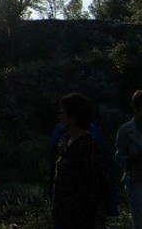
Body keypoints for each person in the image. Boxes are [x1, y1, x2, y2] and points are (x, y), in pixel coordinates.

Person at [51, 92, 108, 229]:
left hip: (81, 215)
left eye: (62, 113)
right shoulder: (64, 140)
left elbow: (96, 183)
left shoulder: (88, 146)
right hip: (63, 213)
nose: (59, 116)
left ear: (73, 117)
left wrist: (99, 217)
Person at [116, 89, 142, 228]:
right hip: (139, 184)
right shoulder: (126, 130)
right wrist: (131, 159)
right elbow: (119, 156)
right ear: (136, 109)